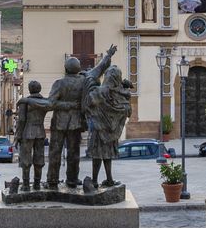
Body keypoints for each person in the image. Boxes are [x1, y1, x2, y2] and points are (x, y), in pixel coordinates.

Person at [46, 44, 117, 188]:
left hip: (59, 122)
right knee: (73, 153)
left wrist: (65, 104)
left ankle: (53, 180)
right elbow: (100, 68)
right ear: (78, 69)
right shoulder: (85, 79)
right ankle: (71, 180)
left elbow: (50, 103)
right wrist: (108, 55)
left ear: (65, 69)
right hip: (76, 122)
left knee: (55, 152)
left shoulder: (59, 83)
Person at [85, 67, 132, 187]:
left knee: (97, 155)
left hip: (99, 128)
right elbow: (128, 111)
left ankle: (95, 180)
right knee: (107, 156)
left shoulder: (99, 91)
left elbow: (89, 103)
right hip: (111, 131)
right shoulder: (121, 94)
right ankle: (109, 179)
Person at [14, 81, 55, 191]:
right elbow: (51, 104)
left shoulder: (25, 103)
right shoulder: (45, 102)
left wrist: (18, 136)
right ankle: (37, 184)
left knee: (26, 159)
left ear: (30, 89)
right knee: (39, 158)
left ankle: (26, 185)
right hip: (40, 132)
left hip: (27, 132)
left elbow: (21, 120)